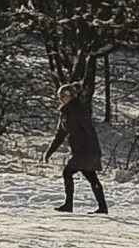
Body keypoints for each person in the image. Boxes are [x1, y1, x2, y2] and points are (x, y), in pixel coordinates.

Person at [44, 82, 108, 214]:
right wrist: (49, 152)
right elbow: (60, 135)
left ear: (71, 96)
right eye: (60, 96)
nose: (61, 98)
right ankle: (102, 207)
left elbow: (90, 130)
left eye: (63, 96)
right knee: (91, 177)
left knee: (67, 172)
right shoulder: (64, 113)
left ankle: (69, 205)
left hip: (86, 150)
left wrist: (95, 152)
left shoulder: (79, 110)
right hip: (78, 150)